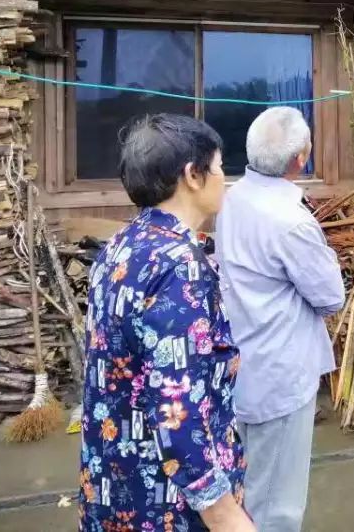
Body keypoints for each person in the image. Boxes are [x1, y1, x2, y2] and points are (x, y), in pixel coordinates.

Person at [79, 114, 253, 532]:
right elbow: (178, 407)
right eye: (217, 167)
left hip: (113, 483)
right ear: (192, 175)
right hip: (167, 505)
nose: (223, 179)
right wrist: (224, 513)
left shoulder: (121, 246)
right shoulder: (179, 266)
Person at [215, 107, 345, 532]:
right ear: (300, 159)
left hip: (239, 367)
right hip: (280, 377)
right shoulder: (292, 223)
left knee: (246, 487)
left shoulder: (231, 199)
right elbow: (330, 298)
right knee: (275, 507)